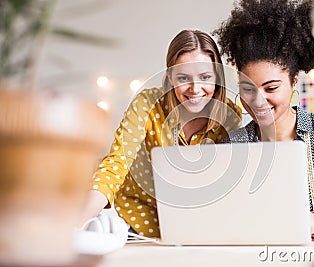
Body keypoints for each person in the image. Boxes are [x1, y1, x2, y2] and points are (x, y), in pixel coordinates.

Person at [213, 0, 314, 240]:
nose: (258, 101)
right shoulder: (233, 146)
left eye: (271, 88)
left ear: (294, 82)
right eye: (247, 89)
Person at [82, 29, 242, 237]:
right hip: (132, 223)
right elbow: (116, 164)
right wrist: (78, 224)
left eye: (205, 77)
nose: (195, 88)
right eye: (184, 77)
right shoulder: (147, 104)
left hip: (196, 229)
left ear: (217, 77)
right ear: (170, 77)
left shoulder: (230, 117)